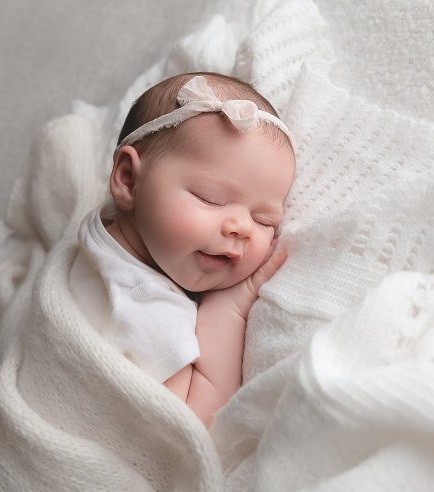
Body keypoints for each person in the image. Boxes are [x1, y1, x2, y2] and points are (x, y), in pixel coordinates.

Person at [68, 72, 295, 427]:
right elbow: (193, 428)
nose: (241, 228)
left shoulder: (100, 233)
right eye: (210, 198)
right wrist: (228, 309)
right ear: (127, 178)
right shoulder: (146, 307)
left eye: (265, 220)